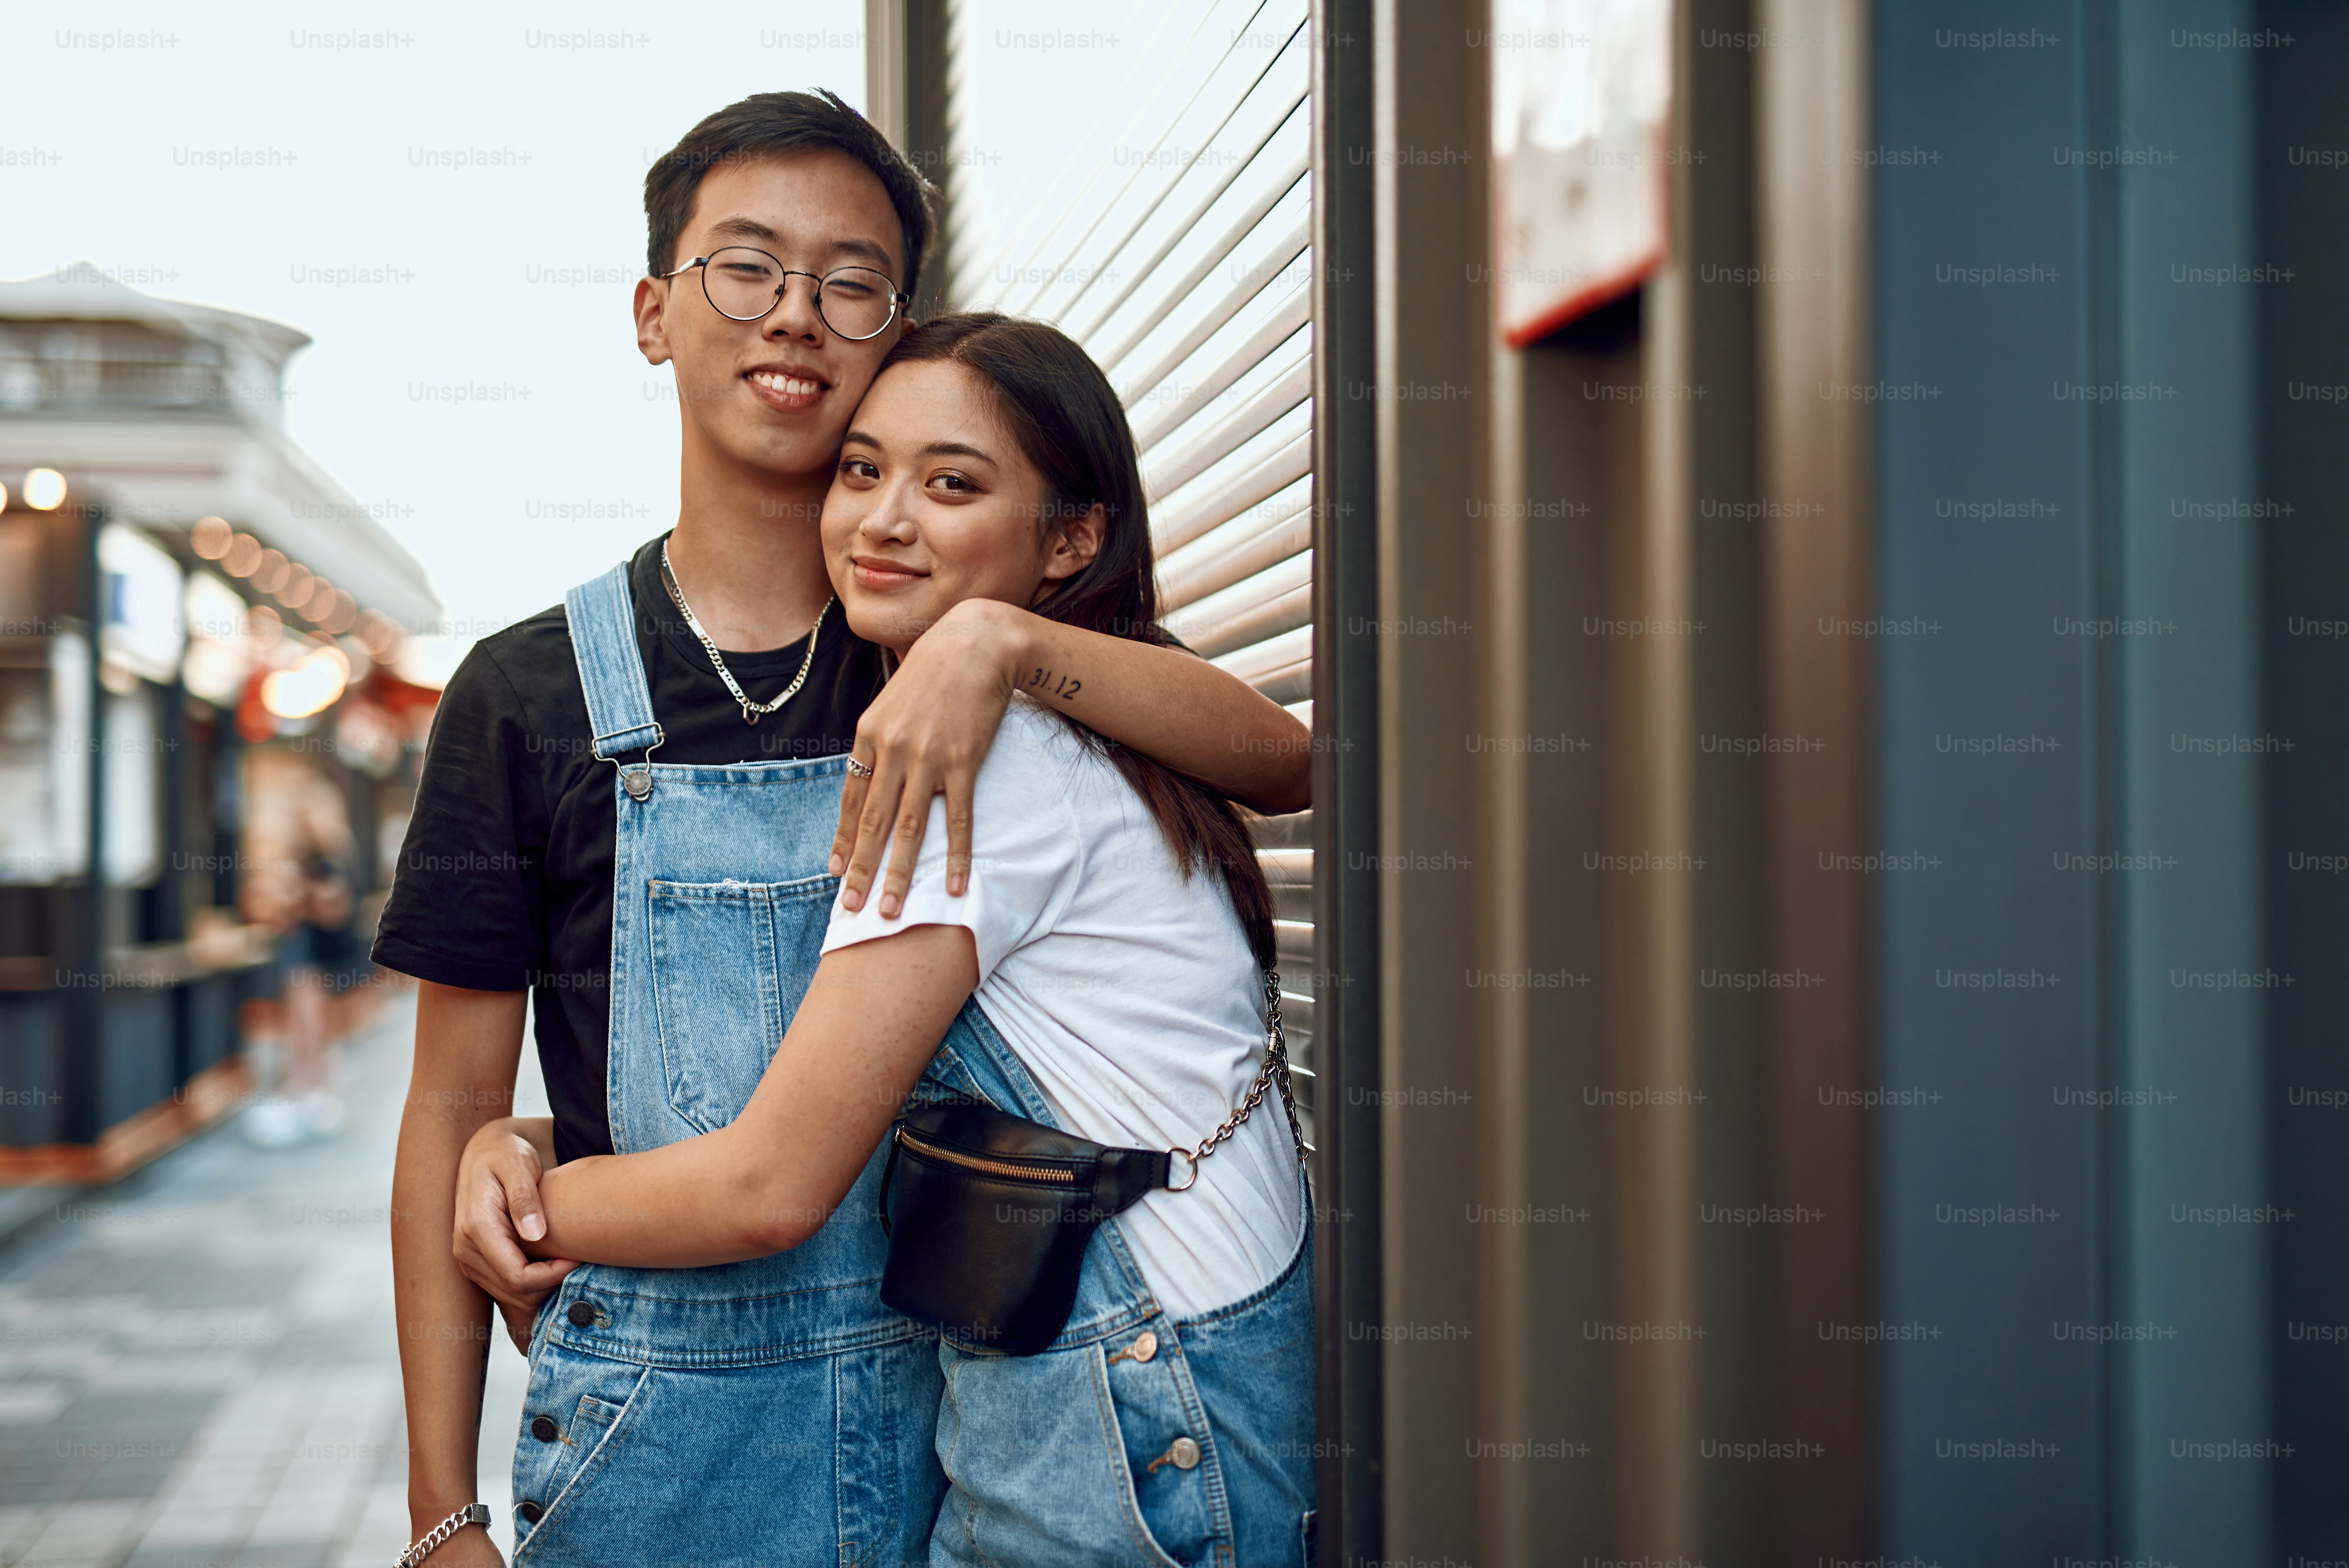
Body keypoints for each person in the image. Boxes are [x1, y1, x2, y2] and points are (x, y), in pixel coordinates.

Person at [377, 94, 1309, 1568]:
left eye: (851, 282)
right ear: (653, 316)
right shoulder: (525, 695)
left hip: (964, 1410)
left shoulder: (936, 648)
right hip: (658, 1437)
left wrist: (994, 643)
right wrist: (442, 1517)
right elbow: (447, 1116)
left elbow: (1281, 759)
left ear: (897, 331)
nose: (796, 317)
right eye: (745, 268)